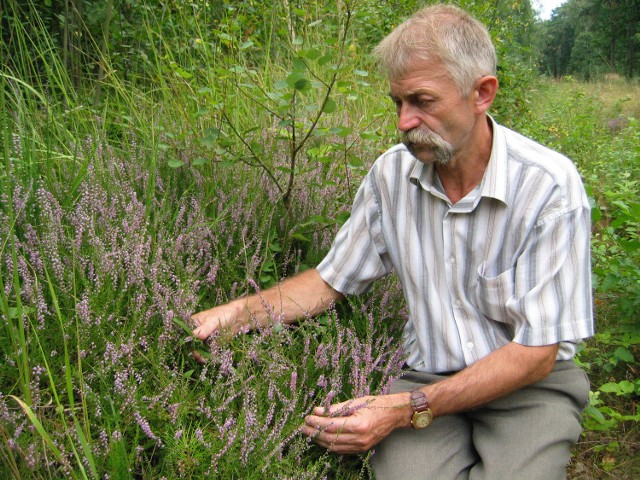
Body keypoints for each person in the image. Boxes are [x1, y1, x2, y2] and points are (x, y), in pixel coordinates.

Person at [192, 4, 594, 479]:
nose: (404, 121)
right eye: (397, 103)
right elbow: (330, 280)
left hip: (529, 389)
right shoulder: (392, 174)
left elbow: (536, 352)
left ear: (481, 93)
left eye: (423, 101)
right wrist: (239, 315)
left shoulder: (547, 186)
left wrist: (402, 409)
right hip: (427, 374)